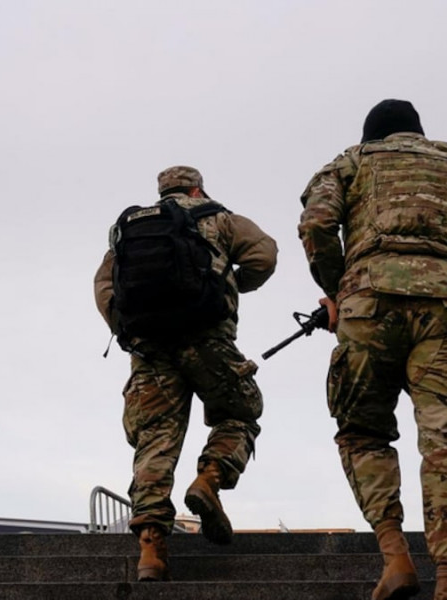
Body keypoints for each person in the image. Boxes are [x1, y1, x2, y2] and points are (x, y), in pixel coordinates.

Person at [298, 99, 447, 600]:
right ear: (419, 134)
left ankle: (396, 557)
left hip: (368, 306)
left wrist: (338, 288)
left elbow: (317, 223)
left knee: (362, 430)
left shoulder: (352, 160)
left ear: (374, 135)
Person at [94, 165, 277, 581]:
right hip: (208, 340)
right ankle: (210, 478)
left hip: (151, 351)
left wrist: (125, 329)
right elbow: (264, 255)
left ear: (161, 194)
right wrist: (230, 284)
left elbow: (105, 286)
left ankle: (151, 552)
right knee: (241, 413)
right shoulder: (220, 219)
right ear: (198, 187)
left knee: (155, 442)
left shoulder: (128, 230)